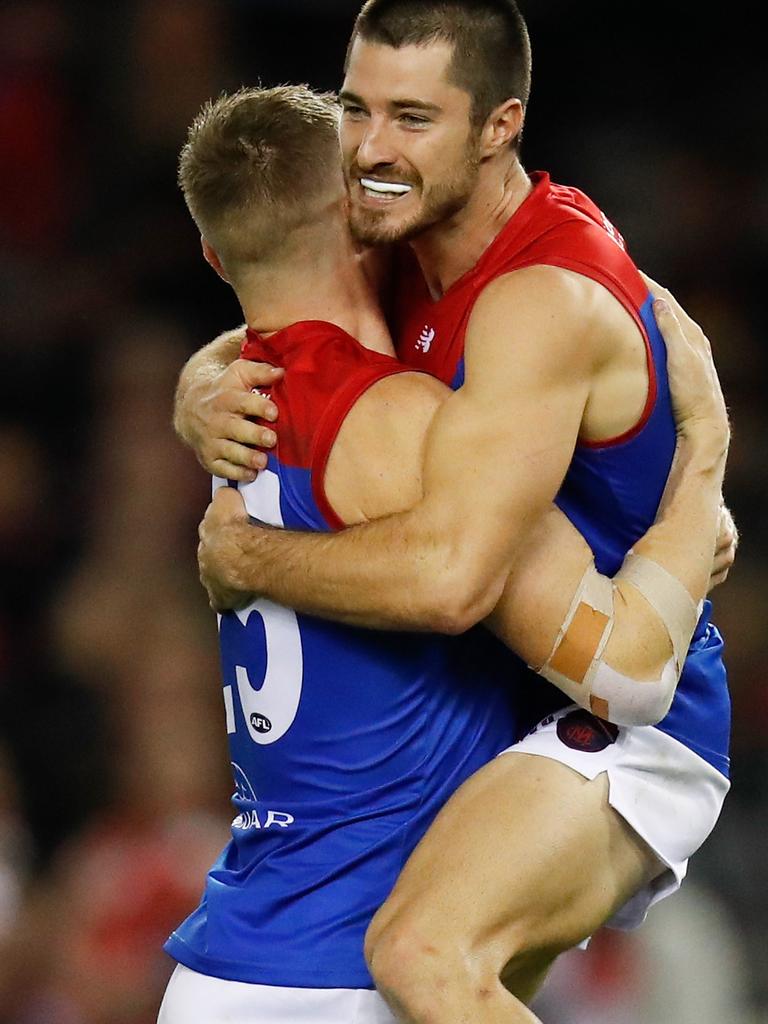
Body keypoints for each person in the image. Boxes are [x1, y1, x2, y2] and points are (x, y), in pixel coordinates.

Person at [173, 4, 734, 1021]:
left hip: (623, 700)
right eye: (359, 108)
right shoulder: (402, 235)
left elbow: (457, 584)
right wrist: (201, 381)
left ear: (499, 127)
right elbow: (283, 308)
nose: (373, 150)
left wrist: (705, 474)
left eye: (414, 118)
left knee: (423, 953)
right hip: (521, 695)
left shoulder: (539, 300)